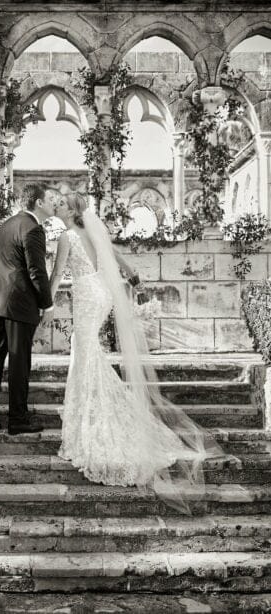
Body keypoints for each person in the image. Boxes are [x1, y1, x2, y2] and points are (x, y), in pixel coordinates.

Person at [50, 192, 223, 513]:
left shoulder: (67, 237)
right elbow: (116, 257)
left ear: (70, 210)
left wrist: (45, 302)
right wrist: (135, 280)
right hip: (101, 293)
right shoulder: (92, 232)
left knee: (84, 352)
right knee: (87, 352)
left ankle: (87, 419)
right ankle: (86, 409)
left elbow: (59, 274)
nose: (56, 206)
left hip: (86, 296)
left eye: (60, 204)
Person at [0, 183, 56, 435]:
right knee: (20, 362)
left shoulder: (8, 224)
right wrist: (47, 304)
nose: (54, 203)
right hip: (19, 305)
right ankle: (18, 420)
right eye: (50, 199)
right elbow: (37, 271)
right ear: (39, 203)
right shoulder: (34, 229)